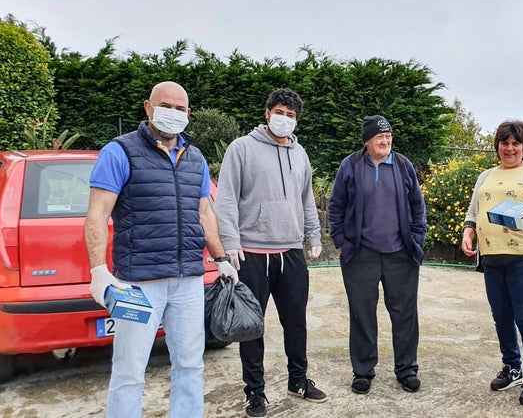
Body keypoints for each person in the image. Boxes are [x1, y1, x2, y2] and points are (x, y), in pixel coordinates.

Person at [85, 81, 237, 418]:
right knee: (129, 369)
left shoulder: (194, 157)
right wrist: (99, 271)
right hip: (137, 284)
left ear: (188, 114)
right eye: (166, 105)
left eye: (181, 108)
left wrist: (222, 258)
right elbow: (97, 213)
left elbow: (204, 212)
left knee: (189, 364)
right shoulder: (119, 152)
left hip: (187, 284)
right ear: (148, 108)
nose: (174, 113)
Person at [214, 88, 326, 417]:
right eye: (280, 112)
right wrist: (230, 242)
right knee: (251, 327)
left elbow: (307, 199)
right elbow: (227, 198)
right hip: (251, 253)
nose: (285, 119)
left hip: (290, 252)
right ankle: (256, 392)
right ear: (267, 113)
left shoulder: (300, 154)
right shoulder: (242, 149)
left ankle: (299, 380)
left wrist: (313, 233)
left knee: (296, 323)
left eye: (291, 116)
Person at [460, 120, 523, 406]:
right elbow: (473, 211)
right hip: (491, 257)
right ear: (498, 147)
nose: (510, 148)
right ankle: (512, 368)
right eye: (505, 143)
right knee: (501, 316)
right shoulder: (485, 176)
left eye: (516, 143)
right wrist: (469, 232)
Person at [327, 115, 427, 395]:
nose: (385, 142)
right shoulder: (351, 165)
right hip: (360, 255)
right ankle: (363, 371)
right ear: (367, 141)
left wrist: (417, 239)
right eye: (379, 137)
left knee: (405, 314)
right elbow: (336, 206)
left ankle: (406, 369)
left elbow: (417, 206)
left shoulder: (404, 165)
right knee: (361, 313)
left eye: (389, 137)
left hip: (401, 254)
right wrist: (340, 242)